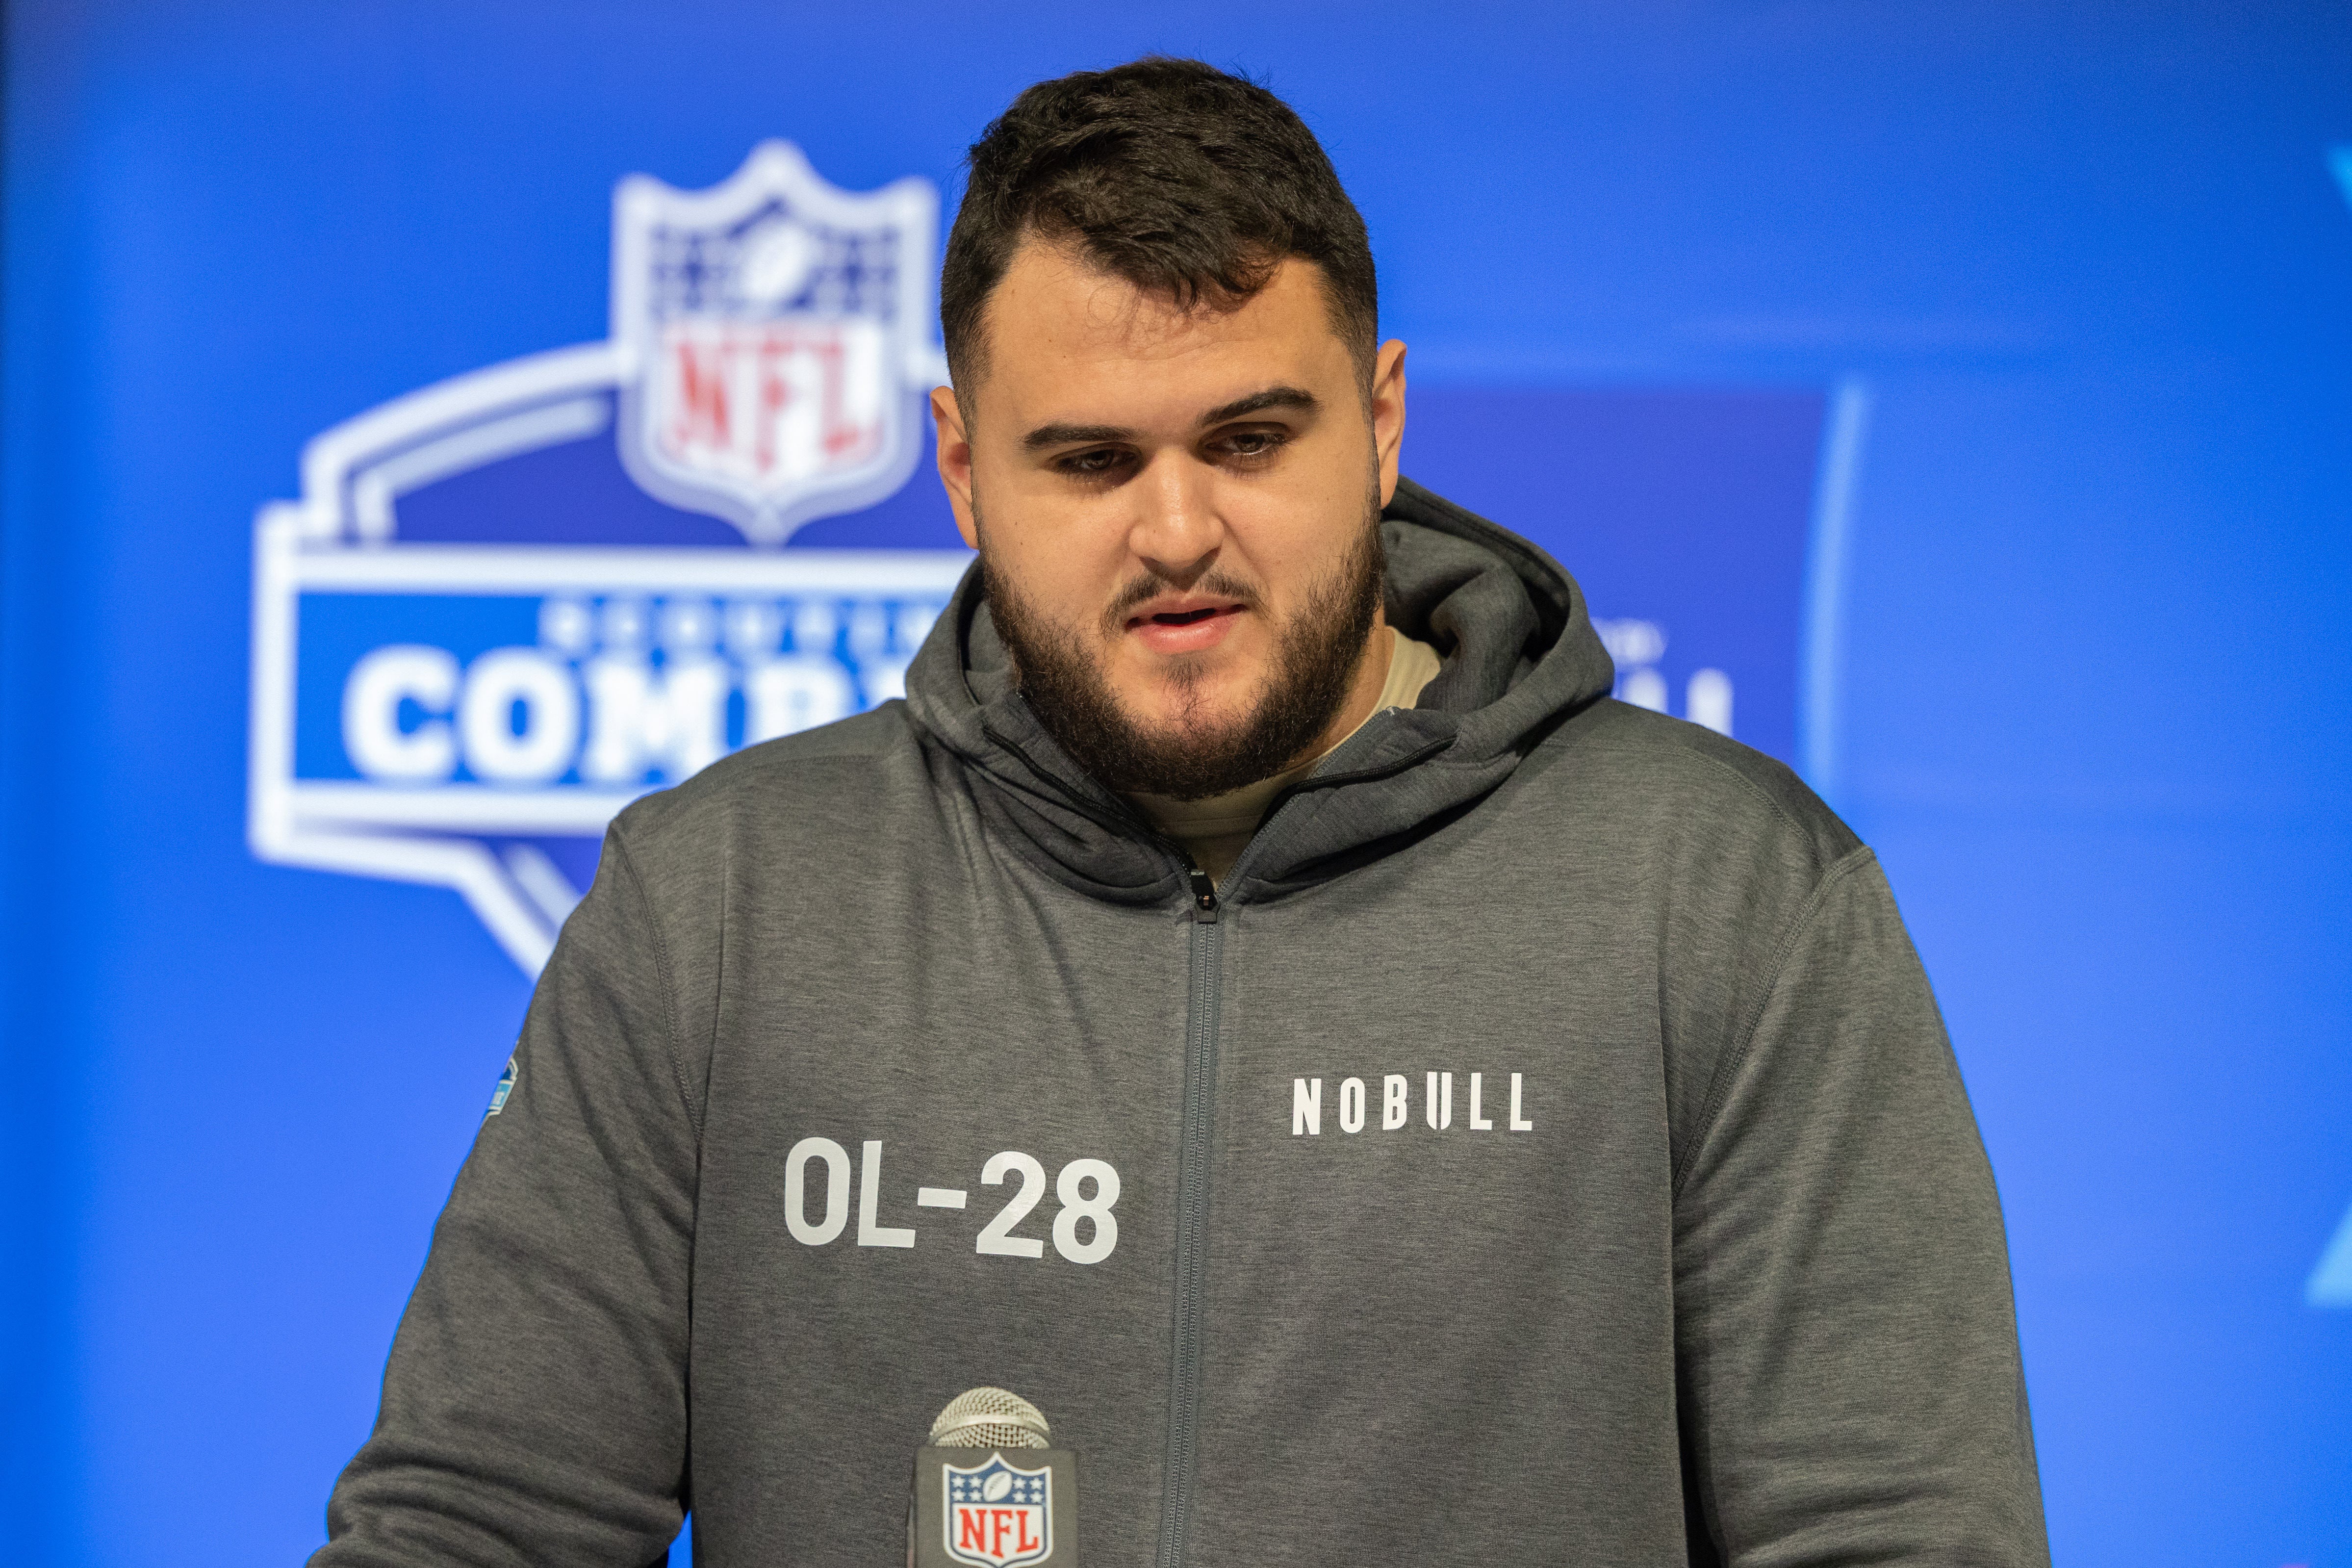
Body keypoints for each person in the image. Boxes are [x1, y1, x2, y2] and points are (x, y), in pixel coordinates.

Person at [315, 57, 2049, 1567]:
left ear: (1379, 424)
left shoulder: (1721, 893)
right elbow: (477, 1523)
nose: (1174, 532)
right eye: (1089, 460)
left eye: (1249, 439)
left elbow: (1895, 1537)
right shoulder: (722, 900)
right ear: (960, 468)